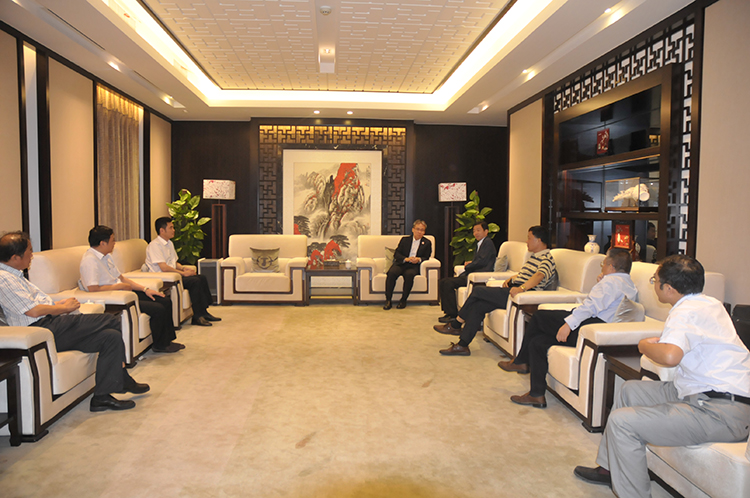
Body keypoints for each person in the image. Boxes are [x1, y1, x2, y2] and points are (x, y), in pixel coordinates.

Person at [574, 255, 750, 498]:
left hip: (718, 412)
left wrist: (644, 346)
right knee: (630, 390)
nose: (653, 284)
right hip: (703, 393)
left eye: (654, 280)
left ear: (668, 288)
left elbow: (670, 356)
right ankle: (609, 468)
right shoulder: (709, 303)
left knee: (622, 422)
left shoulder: (685, 311)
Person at [0, 231, 149, 412]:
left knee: (110, 337)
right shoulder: (4, 279)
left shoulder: (16, 275)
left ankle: (102, 397)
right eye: (29, 251)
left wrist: (58, 304)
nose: (32, 254)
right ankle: (123, 376)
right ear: (15, 257)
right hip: (41, 329)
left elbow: (36, 303)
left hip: (51, 323)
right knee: (110, 320)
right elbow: (33, 311)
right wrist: (63, 308)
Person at [501, 248, 637, 408]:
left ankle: (521, 361)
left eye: (604, 264)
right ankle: (536, 395)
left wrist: (568, 325)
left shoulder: (610, 283)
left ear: (611, 267)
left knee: (539, 317)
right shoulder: (628, 284)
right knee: (537, 342)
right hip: (596, 329)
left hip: (589, 327)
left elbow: (590, 307)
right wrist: (602, 281)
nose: (602, 267)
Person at [435, 226, 556, 356]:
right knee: (478, 306)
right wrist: (511, 278)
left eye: (529, 238)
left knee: (478, 291)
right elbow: (526, 275)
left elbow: (539, 276)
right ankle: (462, 345)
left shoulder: (546, 258)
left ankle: (456, 324)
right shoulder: (534, 257)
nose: (527, 241)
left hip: (521, 296)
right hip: (513, 289)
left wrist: (521, 288)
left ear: (539, 240)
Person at [80, 225, 184, 353]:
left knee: (164, 300)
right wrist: (118, 287)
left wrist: (145, 289)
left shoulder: (106, 256)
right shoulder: (90, 260)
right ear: (102, 243)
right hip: (115, 297)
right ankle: (160, 345)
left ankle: (167, 340)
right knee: (158, 308)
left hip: (124, 291)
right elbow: (92, 288)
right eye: (112, 240)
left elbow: (122, 278)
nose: (114, 243)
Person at [145, 217, 219, 327]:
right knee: (195, 281)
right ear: (162, 230)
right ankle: (197, 317)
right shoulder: (154, 245)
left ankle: (204, 312)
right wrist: (183, 274)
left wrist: (184, 269)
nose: (174, 230)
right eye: (171, 228)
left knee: (201, 277)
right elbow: (164, 267)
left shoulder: (169, 243)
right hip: (164, 277)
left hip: (172, 274)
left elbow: (174, 263)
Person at [437, 221, 496, 323]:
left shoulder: (488, 243)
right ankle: (448, 313)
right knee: (443, 281)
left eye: (478, 230)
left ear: (486, 231)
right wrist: (471, 263)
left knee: (447, 283)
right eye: (474, 231)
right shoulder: (481, 243)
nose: (475, 233)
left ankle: (452, 314)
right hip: (473, 273)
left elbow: (482, 261)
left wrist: (469, 266)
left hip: (478, 276)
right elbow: (480, 260)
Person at [383, 220, 432, 310]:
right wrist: (405, 259)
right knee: (391, 273)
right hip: (401, 263)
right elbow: (397, 254)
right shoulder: (405, 240)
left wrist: (418, 259)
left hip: (414, 266)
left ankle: (403, 300)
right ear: (413, 229)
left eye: (422, 230)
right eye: (417, 229)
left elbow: (427, 257)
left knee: (409, 275)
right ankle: (388, 300)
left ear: (424, 232)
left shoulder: (427, 243)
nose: (419, 232)